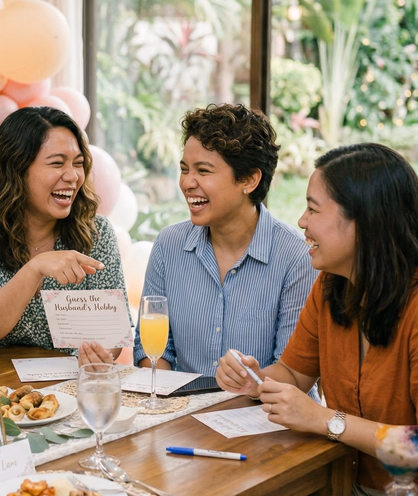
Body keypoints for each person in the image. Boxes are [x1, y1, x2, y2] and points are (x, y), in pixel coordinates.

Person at [216, 143, 418, 494]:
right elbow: (295, 373)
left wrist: (325, 419)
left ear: (365, 220)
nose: (301, 222)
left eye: (313, 209)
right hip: (337, 480)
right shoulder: (331, 284)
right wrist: (257, 381)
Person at [0, 106, 130, 365]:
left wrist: (100, 353)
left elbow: (113, 338)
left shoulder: (96, 231)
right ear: (17, 168)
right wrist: (34, 269)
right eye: (57, 163)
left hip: (63, 390)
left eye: (78, 163)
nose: (72, 176)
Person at [133, 104, 318, 376]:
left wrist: (249, 384)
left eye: (203, 171)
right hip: (185, 410)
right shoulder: (168, 245)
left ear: (249, 180)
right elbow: (151, 349)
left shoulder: (295, 257)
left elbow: (292, 370)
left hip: (262, 414)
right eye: (185, 169)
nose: (187, 183)